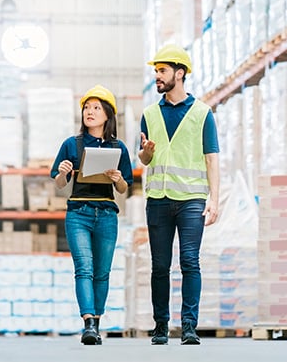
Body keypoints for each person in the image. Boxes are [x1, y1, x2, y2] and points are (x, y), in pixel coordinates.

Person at [138, 44, 220, 345]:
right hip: (158, 200)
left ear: (180, 73)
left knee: (189, 261)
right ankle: (161, 325)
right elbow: (144, 160)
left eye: (162, 71)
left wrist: (214, 199)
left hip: (191, 200)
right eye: (156, 71)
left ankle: (188, 326)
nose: (157, 76)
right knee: (160, 265)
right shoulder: (148, 114)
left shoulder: (202, 113)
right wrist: (145, 154)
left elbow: (212, 158)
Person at [51, 85, 133, 345]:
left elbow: (124, 188)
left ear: (108, 115)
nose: (90, 111)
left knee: (102, 273)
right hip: (79, 214)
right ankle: (87, 323)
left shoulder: (117, 147)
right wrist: (63, 172)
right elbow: (59, 183)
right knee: (84, 269)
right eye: (87, 107)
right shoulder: (71, 144)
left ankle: (96, 323)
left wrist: (118, 178)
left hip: (107, 214)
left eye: (96, 107)